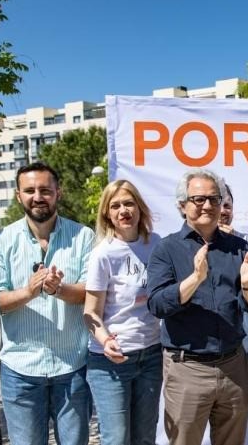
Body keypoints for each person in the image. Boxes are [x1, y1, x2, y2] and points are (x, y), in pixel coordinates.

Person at [146, 168, 248, 445]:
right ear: (182, 205)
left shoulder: (239, 247)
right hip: (187, 369)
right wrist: (195, 279)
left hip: (233, 366)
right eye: (199, 199)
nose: (208, 206)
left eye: (214, 198)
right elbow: (157, 304)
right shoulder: (166, 249)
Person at [0, 162, 94, 445]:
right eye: (30, 190)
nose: (38, 196)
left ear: (59, 192)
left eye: (45, 189)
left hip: (72, 366)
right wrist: (29, 292)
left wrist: (59, 290)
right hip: (21, 369)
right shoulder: (2, 240)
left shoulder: (83, 237)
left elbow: (91, 292)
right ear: (18, 196)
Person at [83, 180, 163, 445]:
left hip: (151, 355)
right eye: (115, 206)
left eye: (128, 203)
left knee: (144, 438)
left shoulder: (157, 245)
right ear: (107, 213)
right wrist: (106, 341)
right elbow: (90, 313)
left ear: (140, 208)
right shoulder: (102, 254)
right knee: (117, 439)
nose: (123, 210)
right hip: (110, 363)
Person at [219, 183, 248, 354]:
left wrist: (232, 245)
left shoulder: (246, 241)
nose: (223, 211)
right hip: (206, 343)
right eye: (219, 204)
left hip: (242, 342)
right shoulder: (194, 243)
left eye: (227, 206)